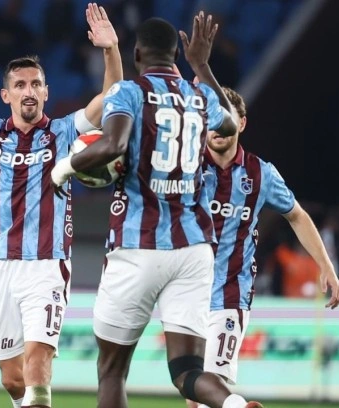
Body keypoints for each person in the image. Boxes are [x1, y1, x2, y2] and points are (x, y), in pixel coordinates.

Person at [52, 13, 261, 408]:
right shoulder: (199, 96)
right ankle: (233, 405)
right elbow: (231, 124)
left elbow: (113, 145)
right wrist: (202, 66)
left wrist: (64, 168)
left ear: (137, 54)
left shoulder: (128, 93)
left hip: (138, 244)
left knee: (112, 370)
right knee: (187, 371)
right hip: (194, 249)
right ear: (177, 56)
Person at [0, 1, 122, 407]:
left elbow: (112, 98)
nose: (29, 91)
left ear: (46, 92)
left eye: (36, 84)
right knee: (12, 379)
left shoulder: (63, 132)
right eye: (20, 85)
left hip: (46, 264)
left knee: (38, 360)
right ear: (6, 94)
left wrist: (110, 50)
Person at [185, 86, 339, 408]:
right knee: (195, 394)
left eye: (226, 118)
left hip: (230, 294)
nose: (217, 127)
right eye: (211, 118)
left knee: (209, 385)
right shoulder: (186, 165)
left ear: (241, 123)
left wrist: (326, 264)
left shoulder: (260, 174)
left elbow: (297, 216)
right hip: (185, 292)